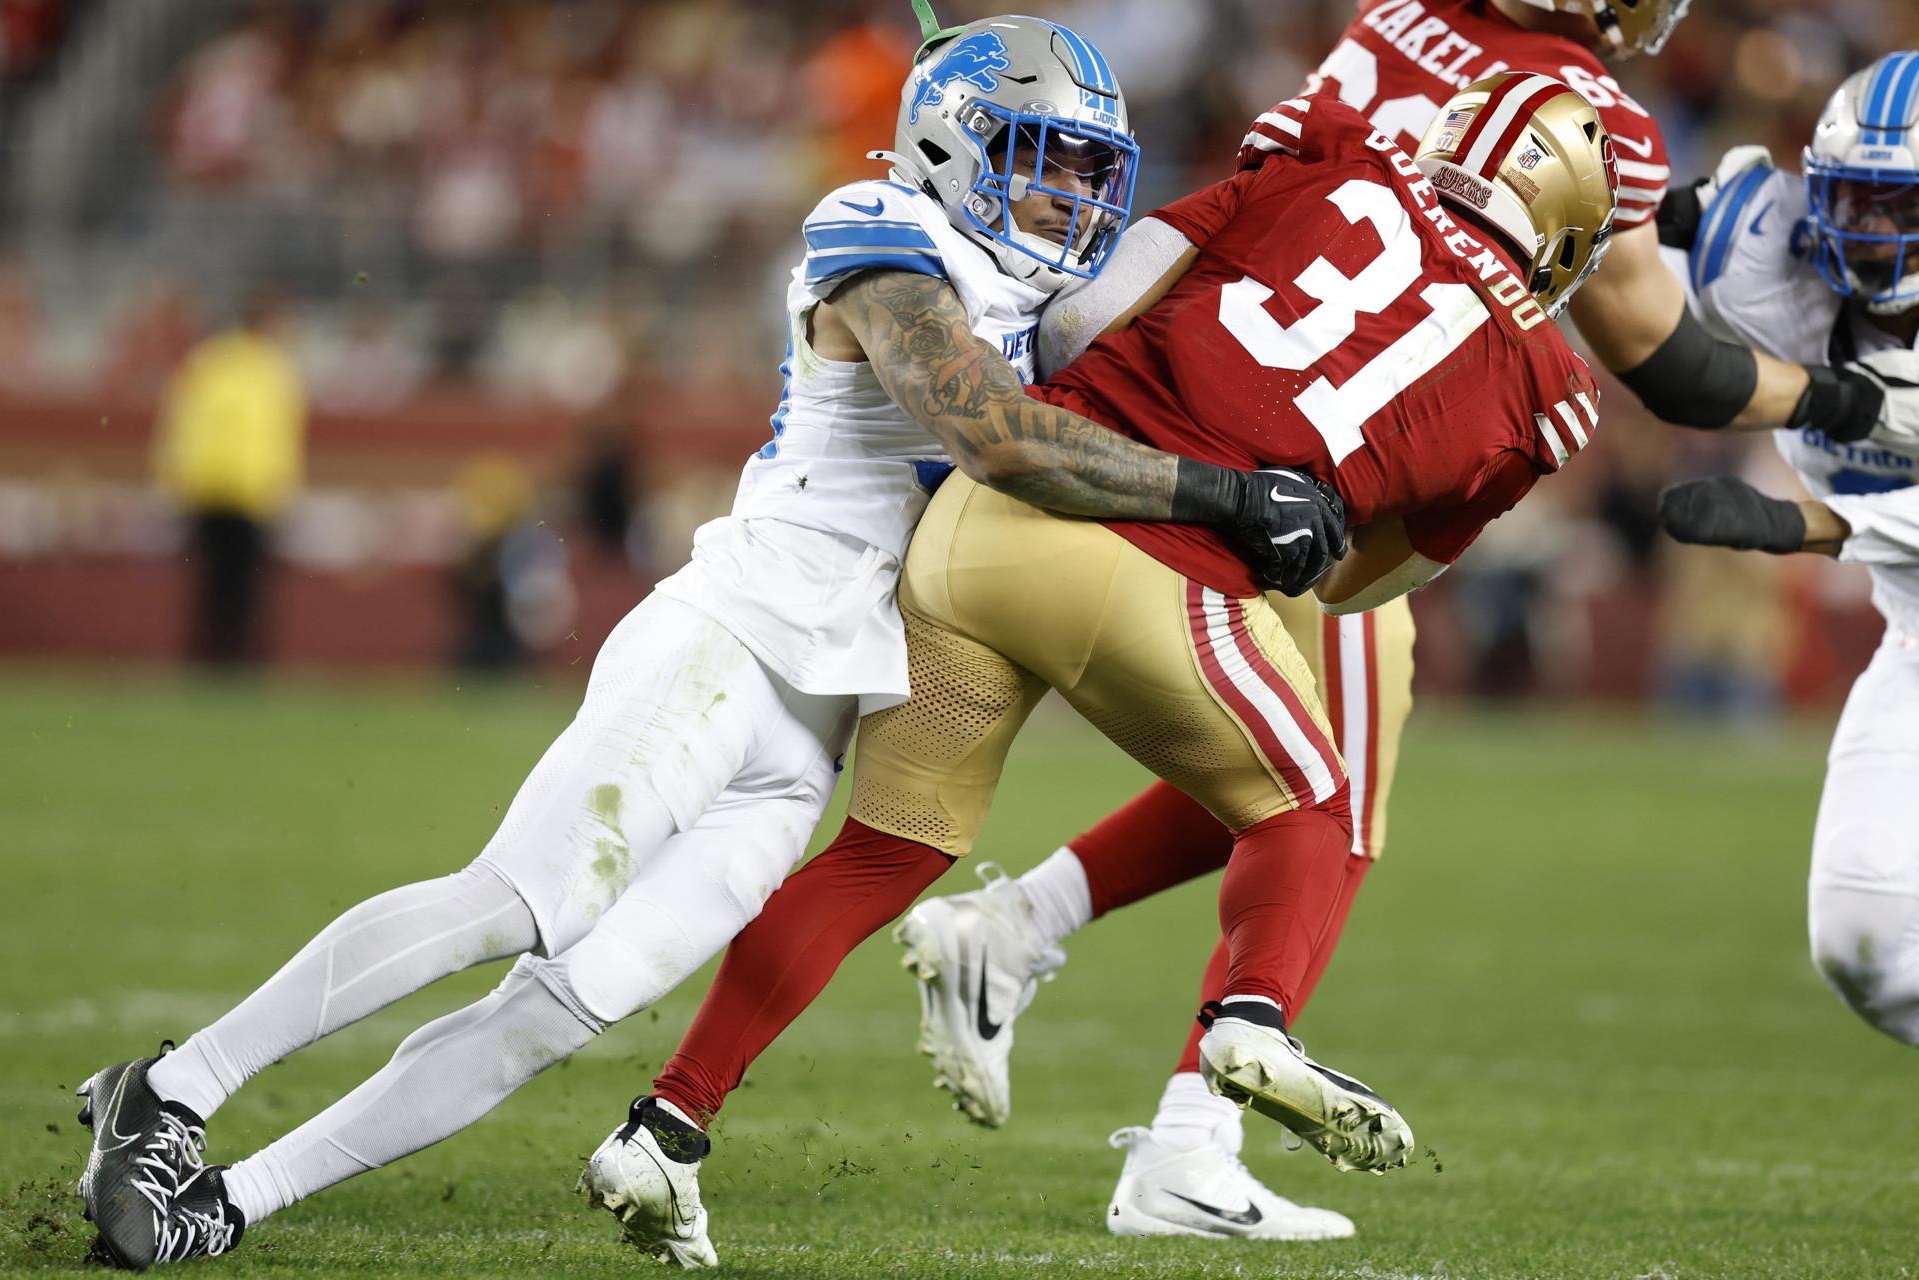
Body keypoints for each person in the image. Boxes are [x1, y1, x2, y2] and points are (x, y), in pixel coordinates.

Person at [72, 17, 1346, 1270]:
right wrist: (1227, 497)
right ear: (954, 146)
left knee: (568, 1008)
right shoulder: (881, 232)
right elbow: (994, 432)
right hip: (733, 634)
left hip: (823, 719)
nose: (1072, 194)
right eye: (1043, 157)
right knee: (524, 901)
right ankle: (176, 1085)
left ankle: (233, 1201)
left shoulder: (1046, 293)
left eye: (1087, 168)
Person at [887, 0, 1919, 1242]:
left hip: (1226, 357)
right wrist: (1849, 400)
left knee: (1274, 777)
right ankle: (1184, 1142)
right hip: (1356, 433)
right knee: (1333, 807)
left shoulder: (1402, 14)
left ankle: (1019, 926)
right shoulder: (1595, 114)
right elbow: (1660, 358)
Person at [580, 72, 1618, 1265]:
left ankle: (666, 1124)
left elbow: (1081, 320)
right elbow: (1354, 581)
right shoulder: (1545, 384)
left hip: (982, 520)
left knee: (887, 849)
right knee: (1315, 801)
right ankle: (1252, 1018)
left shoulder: (1322, 166)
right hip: (1156, 570)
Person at [1652, 51, 1919, 1050]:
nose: (1870, 227)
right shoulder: (1773, 261)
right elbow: (1627, 254)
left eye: (1901, 206)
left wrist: (1804, 524)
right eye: (1857, 196)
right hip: (1915, 640)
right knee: (1857, 938)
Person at [152, 286, 304, 667]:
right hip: (243, 492)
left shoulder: (212, 362)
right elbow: (274, 438)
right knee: (239, 586)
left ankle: (216, 658)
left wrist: (178, 480)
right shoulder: (269, 369)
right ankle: (232, 660)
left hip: (213, 489)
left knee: (220, 584)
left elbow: (184, 427)